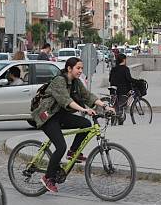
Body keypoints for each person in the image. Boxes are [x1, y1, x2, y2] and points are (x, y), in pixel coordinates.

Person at [30, 57, 114, 193]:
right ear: (69, 68)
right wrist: (84, 109)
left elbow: (88, 96)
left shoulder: (76, 82)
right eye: (78, 68)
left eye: (81, 68)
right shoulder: (59, 81)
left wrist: (105, 106)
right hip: (47, 117)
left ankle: (73, 151)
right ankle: (48, 178)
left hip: (60, 115)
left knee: (85, 124)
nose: (81, 71)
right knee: (60, 146)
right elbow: (66, 100)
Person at [109, 53, 137, 125]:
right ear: (124, 60)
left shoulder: (114, 69)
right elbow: (129, 79)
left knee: (115, 105)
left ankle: (114, 121)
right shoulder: (125, 69)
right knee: (121, 104)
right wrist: (137, 81)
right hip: (122, 91)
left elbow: (110, 79)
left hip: (113, 90)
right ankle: (120, 119)